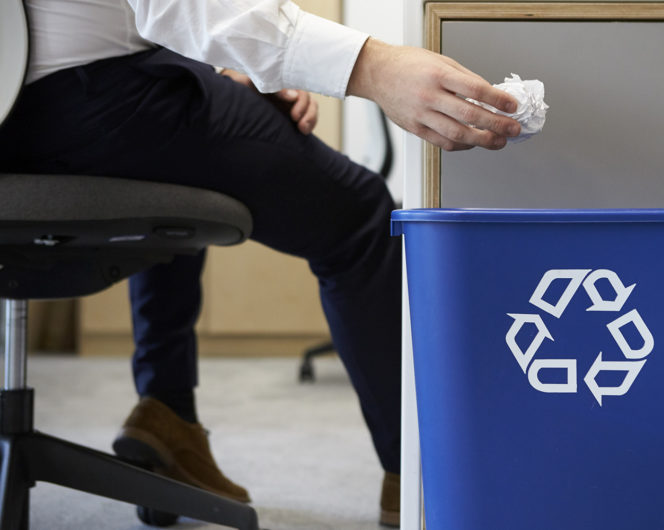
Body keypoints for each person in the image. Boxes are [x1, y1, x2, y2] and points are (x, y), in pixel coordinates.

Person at [0, 0, 520, 526]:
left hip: (16, 115)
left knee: (184, 153)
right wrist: (375, 66)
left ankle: (168, 410)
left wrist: (228, 67)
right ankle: (416, 478)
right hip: (79, 103)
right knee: (362, 219)